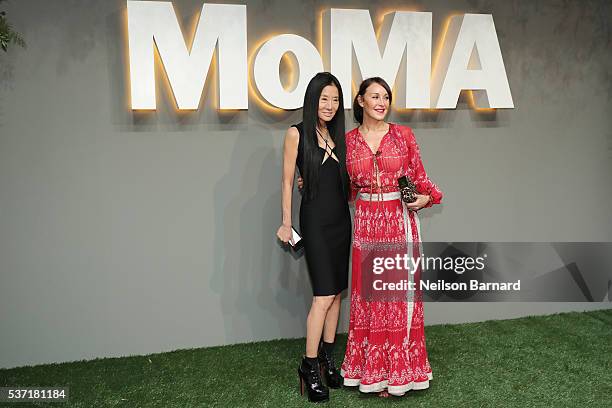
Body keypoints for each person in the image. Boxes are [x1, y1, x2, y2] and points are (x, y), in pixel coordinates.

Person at [339, 77, 443, 397]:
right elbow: (347, 190)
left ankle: (397, 376)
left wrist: (425, 200)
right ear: (360, 101)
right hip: (367, 225)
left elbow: (424, 183)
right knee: (370, 300)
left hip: (399, 222)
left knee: (395, 300)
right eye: (375, 96)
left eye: (386, 96)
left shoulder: (404, 136)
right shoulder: (348, 142)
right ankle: (372, 373)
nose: (382, 102)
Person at [276, 72, 351, 403]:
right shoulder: (296, 133)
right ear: (312, 99)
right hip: (316, 223)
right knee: (322, 296)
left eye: (335, 100)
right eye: (324, 99)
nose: (330, 105)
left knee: (336, 295)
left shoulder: (338, 135)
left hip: (340, 223)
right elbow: (287, 181)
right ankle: (308, 366)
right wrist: (285, 221)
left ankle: (327, 360)